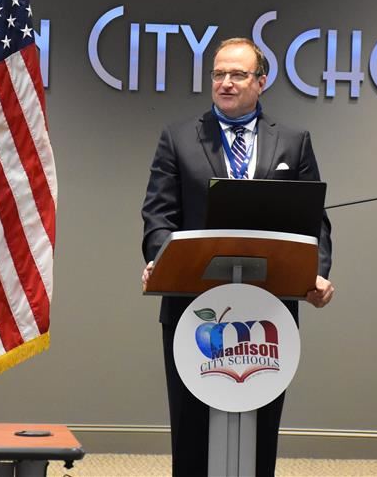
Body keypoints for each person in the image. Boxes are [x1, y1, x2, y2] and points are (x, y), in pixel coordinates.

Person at [141, 37, 334, 477]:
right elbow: (158, 216)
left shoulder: (293, 142)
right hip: (193, 309)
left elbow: (315, 224)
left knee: (259, 427)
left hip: (268, 311)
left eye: (238, 75)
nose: (225, 83)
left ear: (261, 81)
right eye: (218, 74)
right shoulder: (178, 138)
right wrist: (161, 258)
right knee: (191, 431)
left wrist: (315, 274)